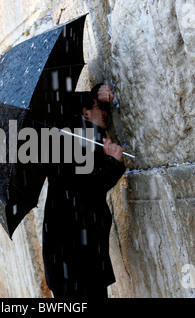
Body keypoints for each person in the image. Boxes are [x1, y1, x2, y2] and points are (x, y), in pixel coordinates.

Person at [42, 84, 126, 299]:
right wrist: (112, 163)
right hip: (77, 268)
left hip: (74, 265)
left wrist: (96, 92)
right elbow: (87, 189)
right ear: (86, 114)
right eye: (99, 108)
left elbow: (64, 104)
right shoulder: (75, 145)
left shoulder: (73, 138)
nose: (105, 112)